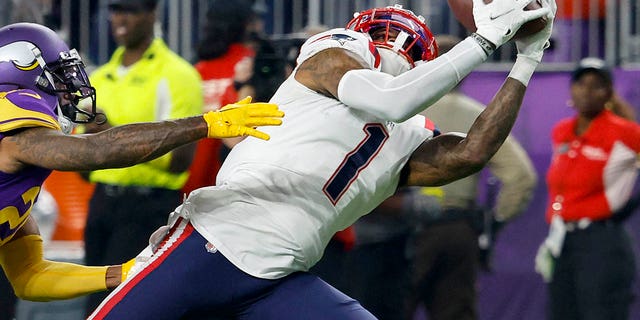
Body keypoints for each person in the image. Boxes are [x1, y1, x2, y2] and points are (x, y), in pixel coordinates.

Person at [89, 1, 555, 319]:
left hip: (281, 272)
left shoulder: (409, 127)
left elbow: (472, 151)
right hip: (216, 243)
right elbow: (392, 100)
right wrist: (492, 38)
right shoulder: (335, 55)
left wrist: (527, 57)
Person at [0, 21, 282, 303]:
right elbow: (98, 150)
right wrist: (207, 123)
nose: (70, 90)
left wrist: (126, 272)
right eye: (59, 78)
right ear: (20, 70)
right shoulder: (15, 129)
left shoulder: (18, 167)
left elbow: (30, 276)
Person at [403, 35, 538, 320]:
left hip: (404, 228)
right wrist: (494, 223)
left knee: (388, 307)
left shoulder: (402, 112)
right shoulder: (480, 117)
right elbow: (521, 176)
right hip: (458, 229)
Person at [80, 0, 203, 313]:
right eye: (115, 9)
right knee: (95, 306)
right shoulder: (101, 76)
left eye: (131, 10)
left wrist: (110, 136)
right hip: (102, 205)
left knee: (131, 307)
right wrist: (93, 140)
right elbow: (84, 167)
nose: (120, 18)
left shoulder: (179, 74)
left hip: (150, 209)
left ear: (152, 15)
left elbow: (180, 160)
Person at [537, 57, 640, 320]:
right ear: (571, 89)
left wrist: (627, 205)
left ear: (608, 92)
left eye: (596, 85)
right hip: (562, 240)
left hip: (601, 243)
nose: (587, 91)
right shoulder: (562, 131)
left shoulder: (624, 132)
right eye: (581, 83)